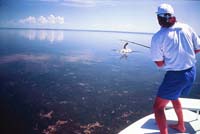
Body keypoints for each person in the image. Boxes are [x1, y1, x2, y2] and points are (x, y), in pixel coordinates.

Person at [150, 3, 200, 134]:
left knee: (158, 107)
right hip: (192, 72)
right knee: (174, 96)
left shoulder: (158, 37)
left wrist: (171, 60)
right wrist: (183, 56)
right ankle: (181, 126)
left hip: (176, 77)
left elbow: (159, 64)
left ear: (159, 18)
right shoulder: (186, 27)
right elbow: (198, 48)